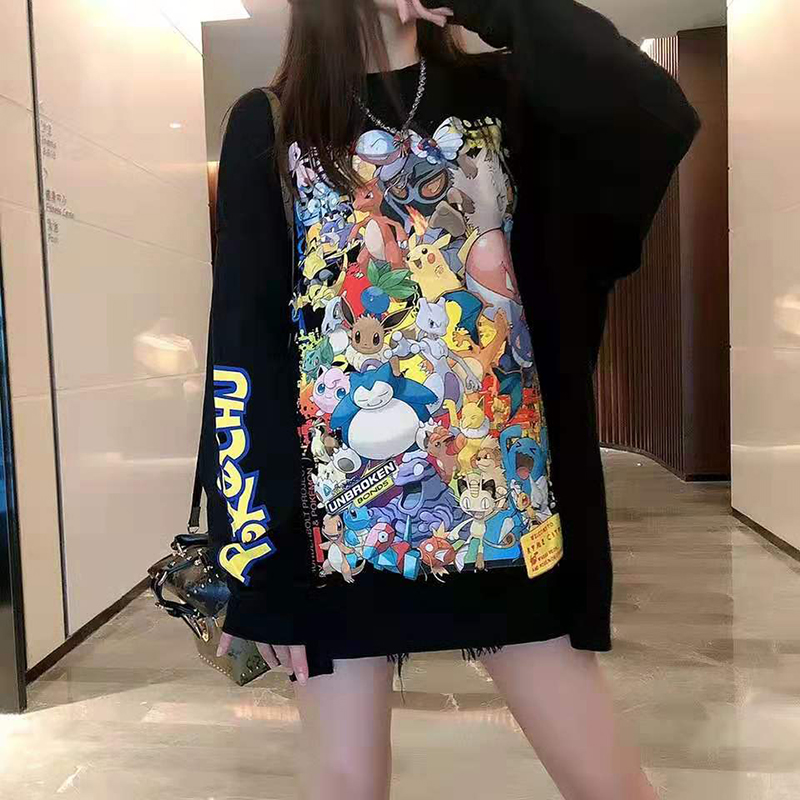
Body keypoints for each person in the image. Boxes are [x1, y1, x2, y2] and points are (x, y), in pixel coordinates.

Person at [204, 1, 699, 797]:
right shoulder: (270, 122)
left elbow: (655, 113)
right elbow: (243, 350)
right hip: (339, 542)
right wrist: (255, 566)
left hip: (508, 515)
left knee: (610, 783)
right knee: (345, 782)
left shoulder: (506, 94)